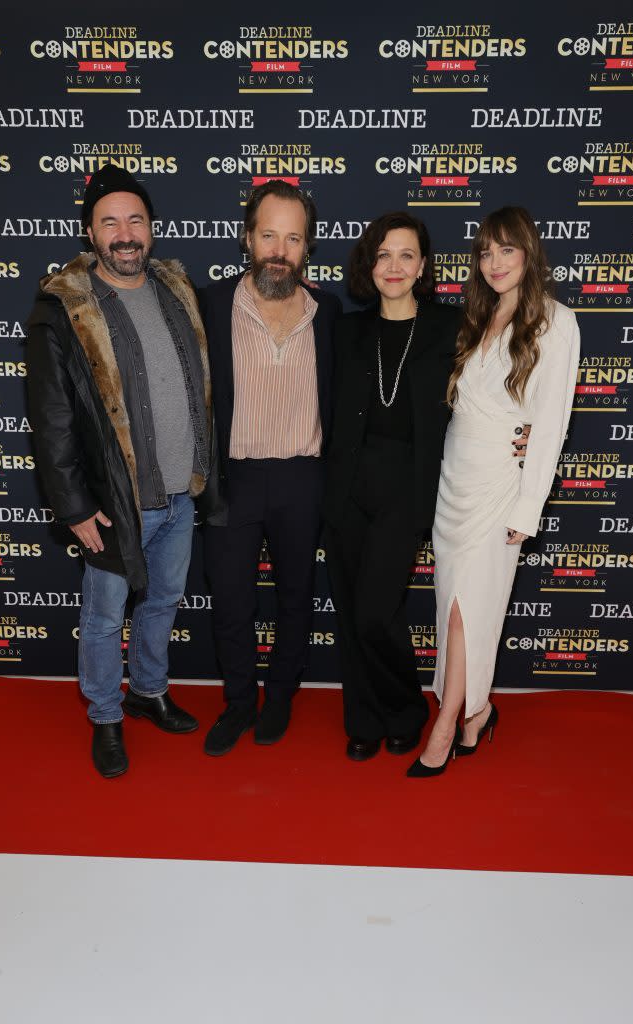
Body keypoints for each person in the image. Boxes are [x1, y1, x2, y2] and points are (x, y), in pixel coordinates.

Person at [26, 165, 211, 779]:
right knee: (105, 616)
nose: (125, 233)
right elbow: (51, 419)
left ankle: (148, 690)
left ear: (151, 229)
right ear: (90, 232)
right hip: (115, 500)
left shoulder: (176, 291)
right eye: (111, 221)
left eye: (135, 219)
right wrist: (74, 507)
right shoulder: (62, 309)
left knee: (163, 601)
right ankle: (106, 715)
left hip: (181, 493)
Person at [408, 206, 580, 777]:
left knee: (467, 612)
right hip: (453, 481)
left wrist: (528, 507)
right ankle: (477, 712)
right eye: (485, 251)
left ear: (529, 252)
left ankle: (447, 721)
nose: (495, 262)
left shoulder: (557, 322)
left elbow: (550, 425)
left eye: (507, 249)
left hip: (500, 489)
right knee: (450, 607)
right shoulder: (475, 317)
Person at [200, 180, 340, 755]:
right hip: (232, 476)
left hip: (302, 478)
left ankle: (280, 695)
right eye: (268, 235)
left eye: (293, 238)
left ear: (307, 248)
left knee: (295, 595)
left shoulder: (328, 313)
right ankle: (238, 702)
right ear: (246, 238)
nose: (279, 250)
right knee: (231, 598)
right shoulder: (209, 305)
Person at [322, 212, 461, 761]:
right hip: (346, 486)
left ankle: (405, 709)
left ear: (423, 265)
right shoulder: (348, 330)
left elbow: (492, 393)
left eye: (406, 255)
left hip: (408, 490)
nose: (394, 266)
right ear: (369, 264)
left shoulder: (451, 328)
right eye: (383, 254)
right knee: (350, 611)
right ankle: (364, 719)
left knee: (375, 611)